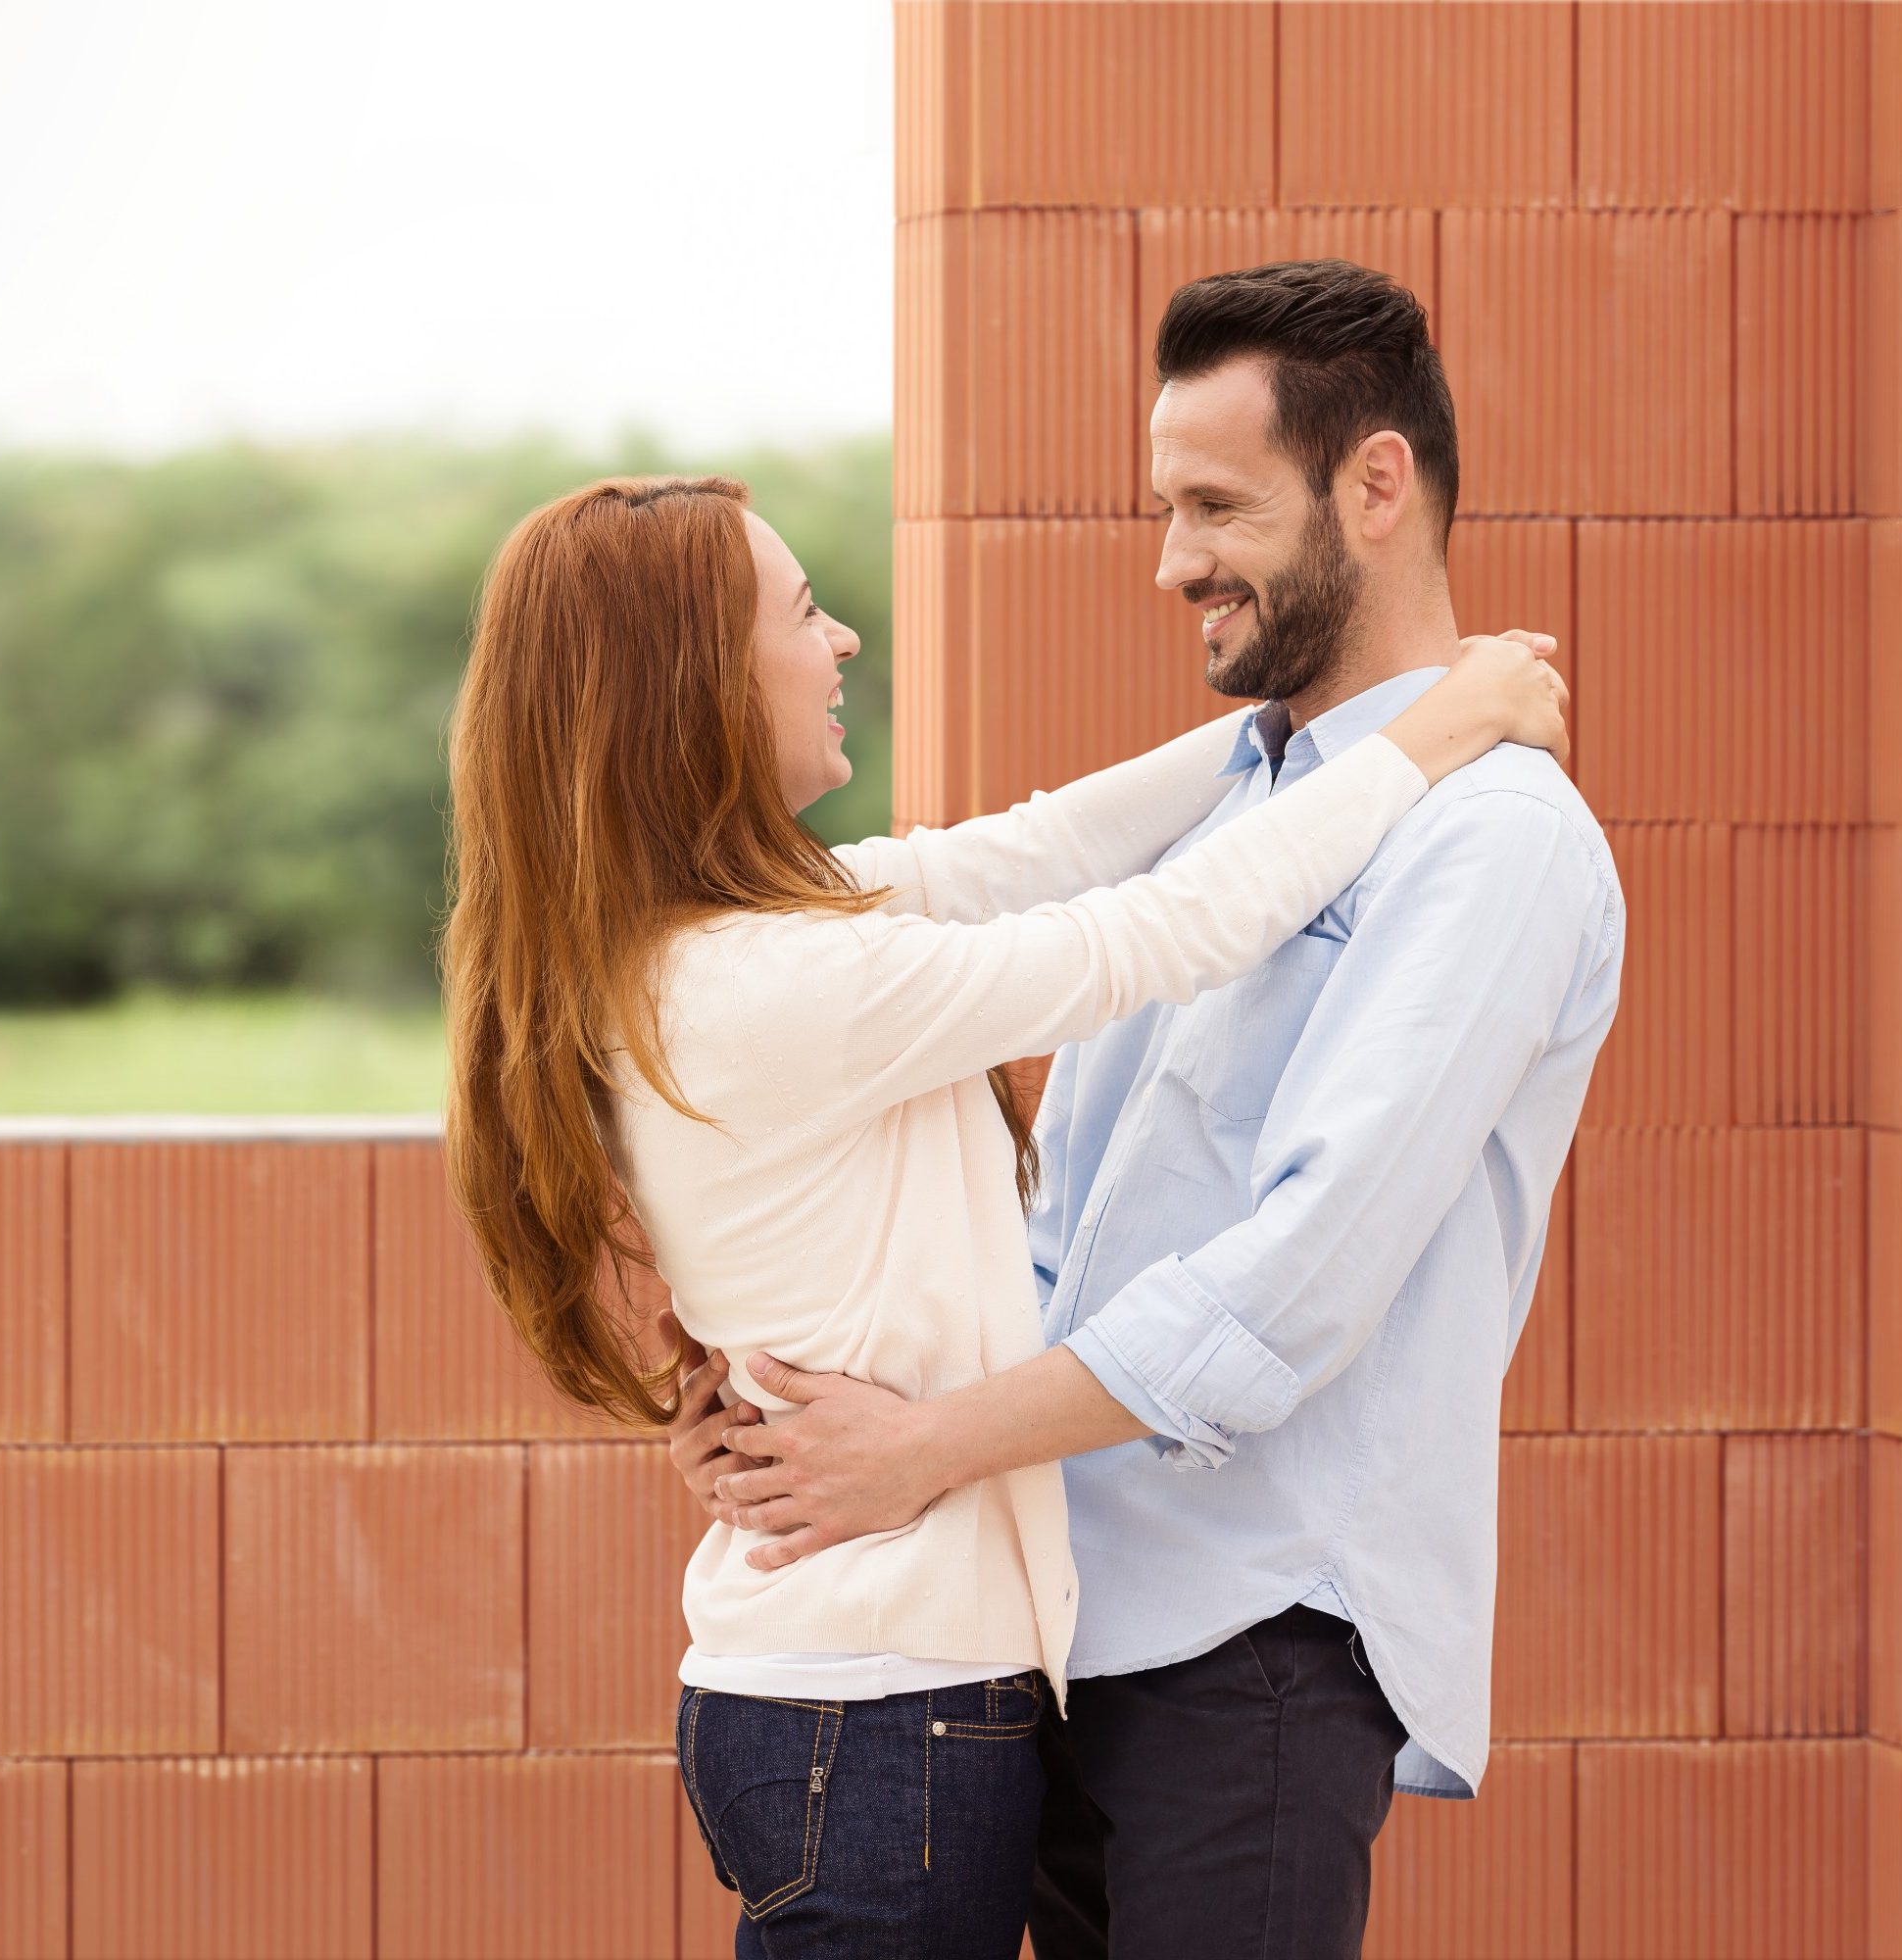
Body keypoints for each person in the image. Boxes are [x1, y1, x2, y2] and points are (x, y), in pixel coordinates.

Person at [439, 465, 1568, 1959]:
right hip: (878, 1711)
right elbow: (1166, 928)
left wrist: (1296, 733)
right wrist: (1440, 728)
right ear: (697, 684)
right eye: (801, 612)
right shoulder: (778, 985)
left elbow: (1035, 849)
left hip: (857, 1702)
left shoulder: (739, 942)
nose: (840, 642)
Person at [666, 260, 1628, 1960]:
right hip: (1058, 1611)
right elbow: (1058, 1225)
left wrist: (918, 1450)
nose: (1170, 557)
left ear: (1375, 486)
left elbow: (1299, 1278)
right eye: (1163, 502)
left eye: (1213, 504)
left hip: (1249, 1644)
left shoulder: (1492, 840)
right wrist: (788, 1406)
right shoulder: (1230, 819)